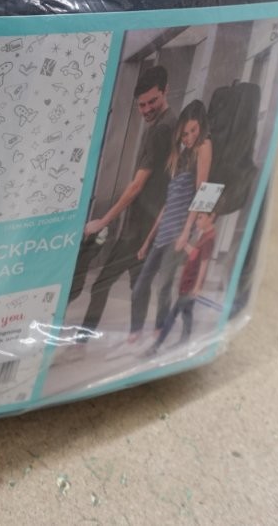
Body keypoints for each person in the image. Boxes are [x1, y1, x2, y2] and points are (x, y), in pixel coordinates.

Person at [66, 65, 175, 343]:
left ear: (166, 91)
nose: (147, 109)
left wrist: (103, 221)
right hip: (152, 222)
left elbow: (137, 185)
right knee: (139, 282)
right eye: (142, 104)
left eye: (152, 101)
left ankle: (82, 340)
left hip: (140, 228)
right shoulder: (171, 122)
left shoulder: (161, 130)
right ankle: (136, 337)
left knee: (102, 285)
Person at [130, 99, 213, 342]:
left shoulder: (204, 145)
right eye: (185, 133)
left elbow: (204, 190)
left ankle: (159, 329)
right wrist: (147, 241)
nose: (189, 137)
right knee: (141, 284)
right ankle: (136, 330)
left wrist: (188, 232)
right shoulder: (182, 158)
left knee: (164, 284)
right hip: (164, 232)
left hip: (180, 232)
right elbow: (168, 205)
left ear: (201, 127)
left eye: (193, 130)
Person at [146, 211, 218, 356]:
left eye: (200, 217)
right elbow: (195, 255)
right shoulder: (204, 235)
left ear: (212, 217)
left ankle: (156, 346)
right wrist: (184, 242)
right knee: (187, 314)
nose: (197, 221)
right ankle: (184, 342)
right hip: (188, 282)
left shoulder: (209, 238)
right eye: (197, 218)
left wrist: (197, 287)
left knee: (172, 316)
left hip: (190, 285)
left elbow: (204, 264)